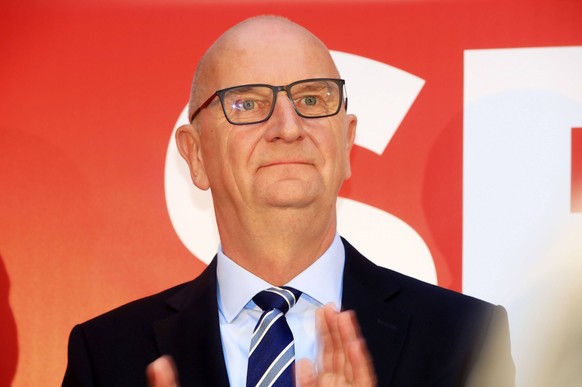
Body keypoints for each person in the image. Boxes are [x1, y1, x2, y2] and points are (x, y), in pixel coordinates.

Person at [62, 16, 514, 387]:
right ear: (195, 155)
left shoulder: (464, 340)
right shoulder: (108, 356)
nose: (289, 126)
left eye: (312, 99)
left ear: (347, 142)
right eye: (248, 104)